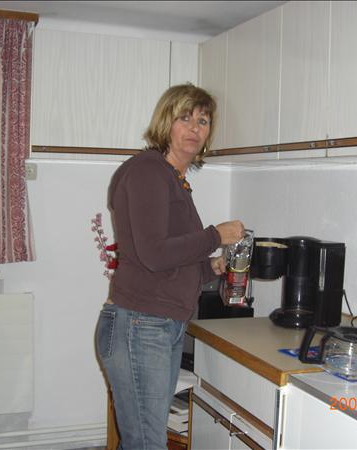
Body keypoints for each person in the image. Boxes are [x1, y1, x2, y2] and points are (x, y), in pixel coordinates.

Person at [95, 83, 245, 450]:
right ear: (166, 122)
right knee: (147, 443)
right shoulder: (148, 171)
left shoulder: (173, 179)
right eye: (185, 118)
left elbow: (166, 260)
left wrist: (212, 267)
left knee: (142, 440)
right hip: (141, 324)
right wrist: (216, 235)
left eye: (203, 121)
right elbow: (153, 254)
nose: (195, 128)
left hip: (159, 323)